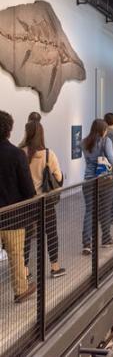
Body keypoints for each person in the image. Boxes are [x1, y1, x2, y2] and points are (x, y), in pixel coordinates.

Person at [0, 110, 37, 303]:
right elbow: (28, 188)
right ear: (9, 130)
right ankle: (20, 290)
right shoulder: (16, 155)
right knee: (16, 254)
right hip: (13, 216)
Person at [21, 121, 65, 278]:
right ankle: (54, 267)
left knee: (26, 236)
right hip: (45, 202)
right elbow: (58, 178)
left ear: (27, 133)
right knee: (51, 232)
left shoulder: (21, 152)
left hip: (25, 203)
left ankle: (24, 270)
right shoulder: (48, 154)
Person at [81, 119, 113, 254]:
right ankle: (106, 238)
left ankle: (86, 243)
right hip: (105, 180)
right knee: (105, 210)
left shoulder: (85, 142)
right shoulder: (105, 141)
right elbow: (112, 159)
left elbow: (89, 160)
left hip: (88, 180)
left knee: (89, 211)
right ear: (103, 129)